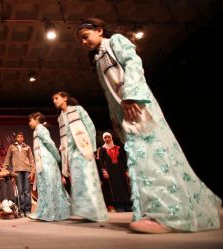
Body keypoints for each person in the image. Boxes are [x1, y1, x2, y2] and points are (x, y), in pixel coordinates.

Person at [76, 17, 221, 233]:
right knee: (139, 159)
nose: (84, 42)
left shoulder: (115, 41)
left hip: (138, 106)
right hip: (125, 111)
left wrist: (132, 95)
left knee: (152, 156)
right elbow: (109, 91)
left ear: (99, 30)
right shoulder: (97, 59)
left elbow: (133, 63)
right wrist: (115, 117)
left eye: (85, 37)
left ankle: (167, 216)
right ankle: (158, 211)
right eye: (81, 40)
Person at [53, 91, 108, 222]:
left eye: (56, 98)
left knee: (88, 176)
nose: (54, 101)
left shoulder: (78, 110)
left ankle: (94, 211)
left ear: (65, 98)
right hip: (71, 151)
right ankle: (85, 211)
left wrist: (92, 147)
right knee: (78, 178)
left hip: (82, 147)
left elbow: (90, 126)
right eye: (53, 99)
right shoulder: (60, 117)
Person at [27, 112, 71, 221]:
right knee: (43, 187)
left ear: (37, 119)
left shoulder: (41, 129)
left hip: (47, 161)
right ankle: (43, 212)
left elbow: (50, 143)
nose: (29, 123)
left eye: (30, 120)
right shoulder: (37, 131)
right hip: (41, 161)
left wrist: (57, 158)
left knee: (49, 185)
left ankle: (50, 212)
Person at [3, 132, 35, 217]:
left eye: (21, 137)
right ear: (16, 138)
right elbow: (7, 158)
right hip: (17, 171)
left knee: (27, 191)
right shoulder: (12, 147)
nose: (20, 138)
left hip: (27, 170)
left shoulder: (27, 147)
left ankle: (28, 210)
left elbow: (32, 160)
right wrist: (4, 169)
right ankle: (21, 210)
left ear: (23, 138)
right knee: (20, 190)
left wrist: (32, 171)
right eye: (18, 137)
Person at [98, 132, 132, 212]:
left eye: (108, 137)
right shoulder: (102, 149)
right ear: (103, 139)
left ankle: (127, 205)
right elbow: (101, 162)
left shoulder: (118, 147)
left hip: (121, 170)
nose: (107, 139)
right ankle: (119, 206)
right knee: (115, 188)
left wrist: (126, 170)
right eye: (105, 137)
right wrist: (104, 171)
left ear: (111, 137)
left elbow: (123, 159)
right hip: (111, 172)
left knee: (124, 187)